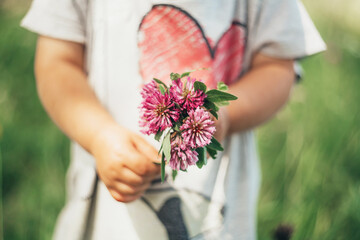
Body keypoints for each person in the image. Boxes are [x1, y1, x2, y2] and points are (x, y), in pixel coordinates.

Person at [21, 0, 325, 239]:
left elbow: (277, 68)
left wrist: (226, 113)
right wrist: (99, 136)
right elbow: (57, 63)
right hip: (108, 212)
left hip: (217, 213)